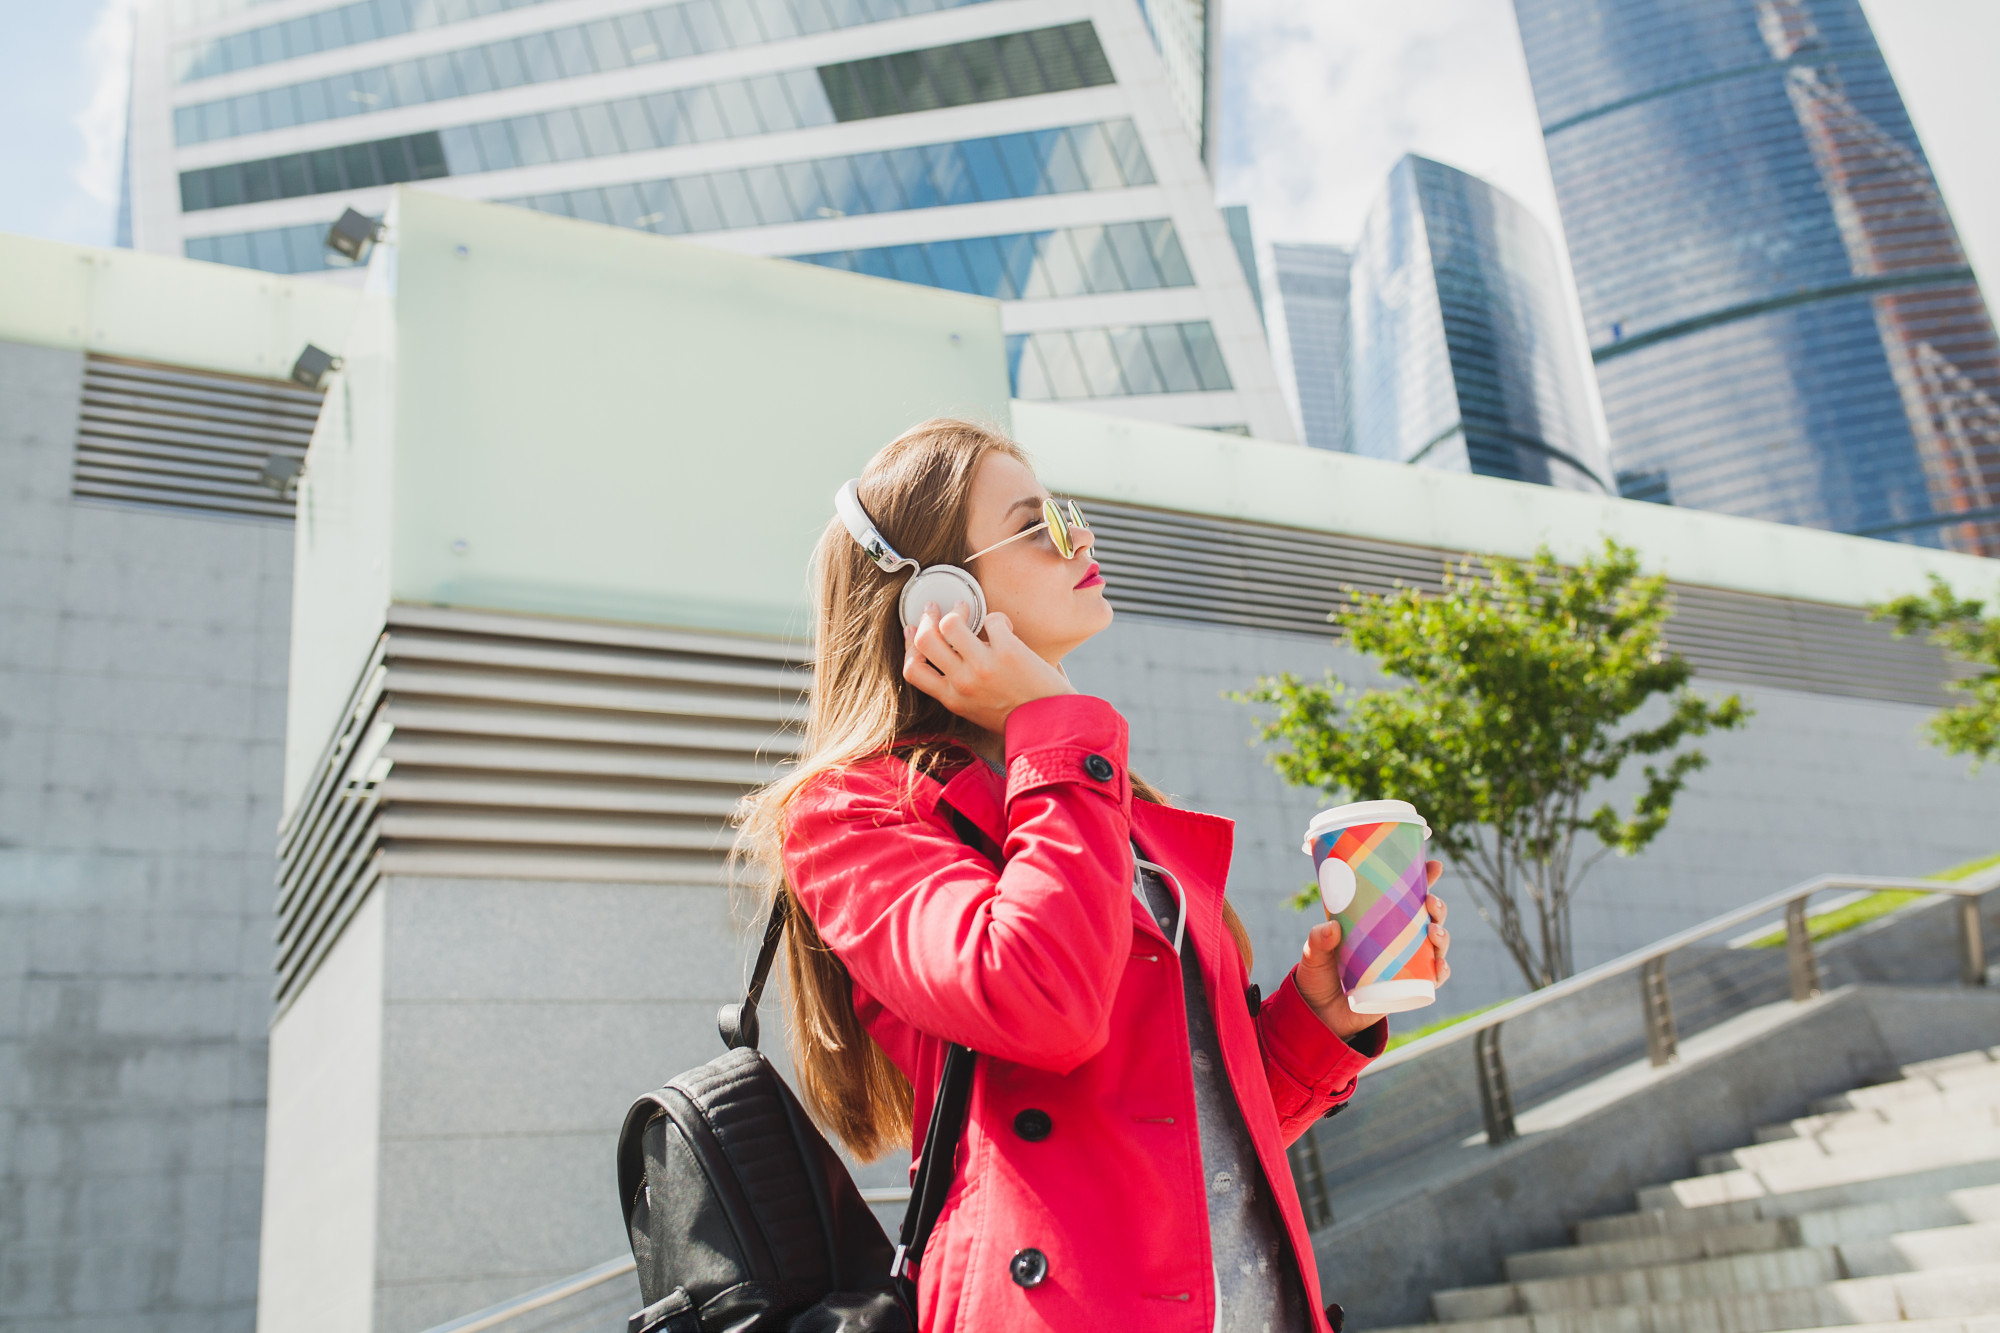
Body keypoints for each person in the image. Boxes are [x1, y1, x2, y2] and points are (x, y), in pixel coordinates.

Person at [738, 419, 1452, 1333]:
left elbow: (1177, 1135)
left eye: (1066, 516)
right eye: (1038, 526)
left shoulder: (1101, 790)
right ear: (938, 603)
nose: (1082, 541)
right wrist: (1056, 721)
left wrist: (1322, 1023)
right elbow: (1040, 1002)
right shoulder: (859, 813)